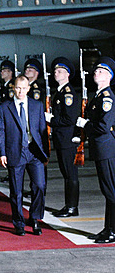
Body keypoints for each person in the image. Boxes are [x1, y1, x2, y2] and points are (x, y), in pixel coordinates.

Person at [0, 75, 49, 236]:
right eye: (18, 87)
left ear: (28, 88)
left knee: (39, 186)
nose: (20, 91)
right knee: (16, 191)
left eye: (24, 88)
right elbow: (0, 131)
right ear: (13, 88)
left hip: (34, 152)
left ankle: (34, 218)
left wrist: (45, 153)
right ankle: (18, 222)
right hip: (15, 152)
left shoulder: (37, 105)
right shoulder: (5, 107)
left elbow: (42, 131)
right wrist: (2, 153)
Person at [77, 57, 115, 243]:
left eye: (100, 71)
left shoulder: (107, 97)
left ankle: (113, 230)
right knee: (107, 191)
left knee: (111, 191)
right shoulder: (98, 96)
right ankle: (108, 228)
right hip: (101, 149)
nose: (95, 73)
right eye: (96, 71)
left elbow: (103, 126)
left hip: (107, 149)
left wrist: (86, 125)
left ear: (109, 76)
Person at [46, 57, 81, 218]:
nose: (55, 73)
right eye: (55, 71)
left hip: (67, 140)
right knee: (66, 174)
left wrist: (51, 120)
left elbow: (69, 119)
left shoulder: (68, 94)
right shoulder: (59, 91)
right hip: (61, 139)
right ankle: (69, 205)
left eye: (59, 71)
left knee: (70, 174)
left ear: (67, 74)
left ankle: (72, 207)